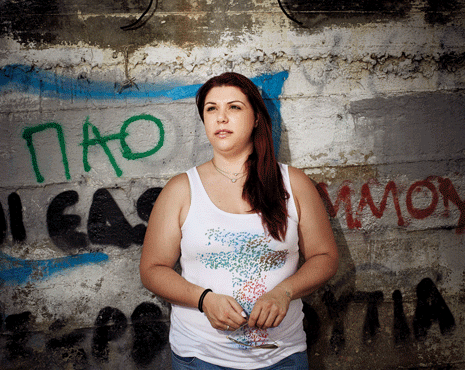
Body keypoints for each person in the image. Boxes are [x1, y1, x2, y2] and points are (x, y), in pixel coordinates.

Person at [140, 72, 338, 369]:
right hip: (201, 357)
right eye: (211, 109)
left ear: (256, 117)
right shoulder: (181, 189)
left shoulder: (293, 183)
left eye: (234, 107)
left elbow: (325, 257)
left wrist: (284, 292)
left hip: (281, 356)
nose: (221, 117)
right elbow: (152, 269)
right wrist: (204, 299)